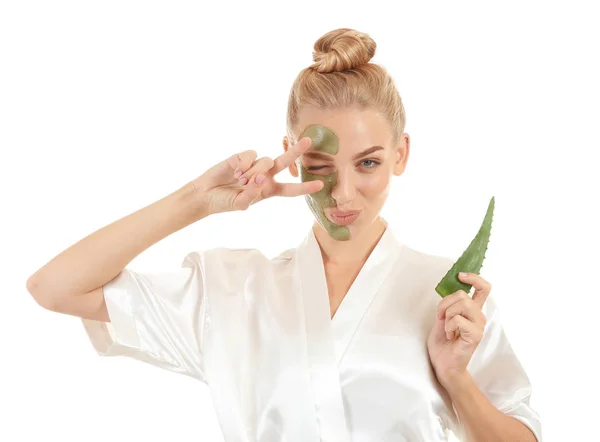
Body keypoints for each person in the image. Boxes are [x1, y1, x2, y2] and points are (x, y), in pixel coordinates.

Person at [26, 28, 542, 442]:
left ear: (401, 153)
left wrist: (456, 377)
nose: (343, 195)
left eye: (368, 163)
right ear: (291, 153)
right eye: (319, 164)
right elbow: (55, 287)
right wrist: (198, 200)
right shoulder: (230, 290)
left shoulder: (449, 297)